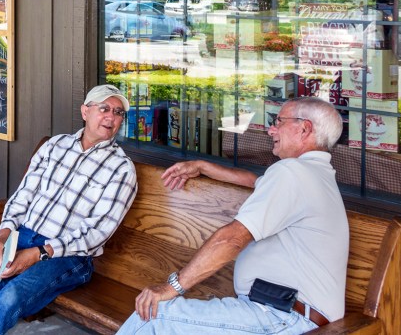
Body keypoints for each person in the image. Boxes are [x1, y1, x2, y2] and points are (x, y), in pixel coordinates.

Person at [117, 96, 348, 335]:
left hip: (285, 319)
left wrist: (171, 287)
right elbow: (254, 181)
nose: (271, 130)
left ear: (304, 128)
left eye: (278, 121)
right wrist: (203, 167)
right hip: (282, 315)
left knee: (155, 315)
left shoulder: (293, 172)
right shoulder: (313, 173)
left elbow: (232, 240)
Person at [0, 84, 139, 335]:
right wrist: (2, 236)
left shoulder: (121, 169)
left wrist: (37, 253)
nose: (111, 117)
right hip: (24, 237)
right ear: (85, 111)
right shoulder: (55, 146)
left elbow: (96, 233)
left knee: (9, 298)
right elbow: (23, 196)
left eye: (118, 113)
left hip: (69, 256)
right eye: (104, 108)